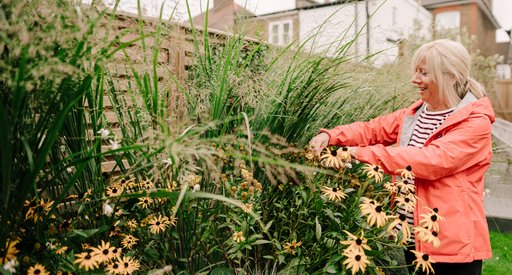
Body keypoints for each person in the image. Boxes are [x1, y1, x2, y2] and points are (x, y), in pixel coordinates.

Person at [309, 39, 493, 275]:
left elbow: (430, 161)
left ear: (450, 76)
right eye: (416, 71)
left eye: (424, 72)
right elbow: (373, 129)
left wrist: (357, 154)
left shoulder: (475, 122)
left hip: (450, 244)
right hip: (413, 237)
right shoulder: (416, 113)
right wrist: (331, 136)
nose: (415, 79)